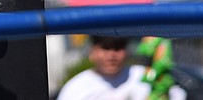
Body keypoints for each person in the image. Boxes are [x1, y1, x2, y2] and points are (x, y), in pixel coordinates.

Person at [57, 36, 185, 100]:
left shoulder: (143, 75)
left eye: (117, 48)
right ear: (92, 52)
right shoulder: (76, 87)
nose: (112, 55)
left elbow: (177, 95)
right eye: (105, 48)